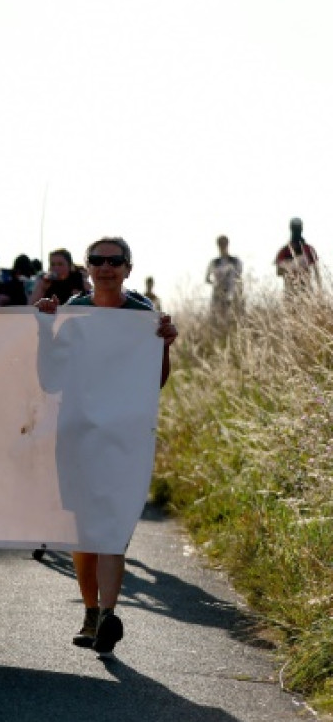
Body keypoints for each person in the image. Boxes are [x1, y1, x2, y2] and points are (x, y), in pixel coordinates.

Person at [34, 237, 178, 654]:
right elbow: (51, 381)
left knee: (112, 526)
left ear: (129, 268)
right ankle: (92, 612)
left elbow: (155, 382)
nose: (106, 267)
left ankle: (109, 615)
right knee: (84, 528)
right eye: (97, 260)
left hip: (124, 436)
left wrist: (164, 345)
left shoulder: (142, 315)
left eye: (115, 261)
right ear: (88, 267)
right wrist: (46, 329)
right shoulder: (75, 312)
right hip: (77, 431)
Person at [276, 217, 320, 296]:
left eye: (298, 229)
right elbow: (279, 271)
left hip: (306, 289)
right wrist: (293, 266)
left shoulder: (308, 249)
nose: (297, 231)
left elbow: (317, 271)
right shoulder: (285, 250)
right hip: (291, 290)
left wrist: (319, 290)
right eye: (295, 229)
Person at [204, 235, 241, 317]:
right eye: (221, 245)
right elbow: (206, 279)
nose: (222, 247)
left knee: (233, 318)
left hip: (232, 293)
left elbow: (239, 276)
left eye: (224, 244)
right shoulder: (214, 262)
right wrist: (216, 283)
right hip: (218, 294)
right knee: (218, 319)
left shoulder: (235, 261)